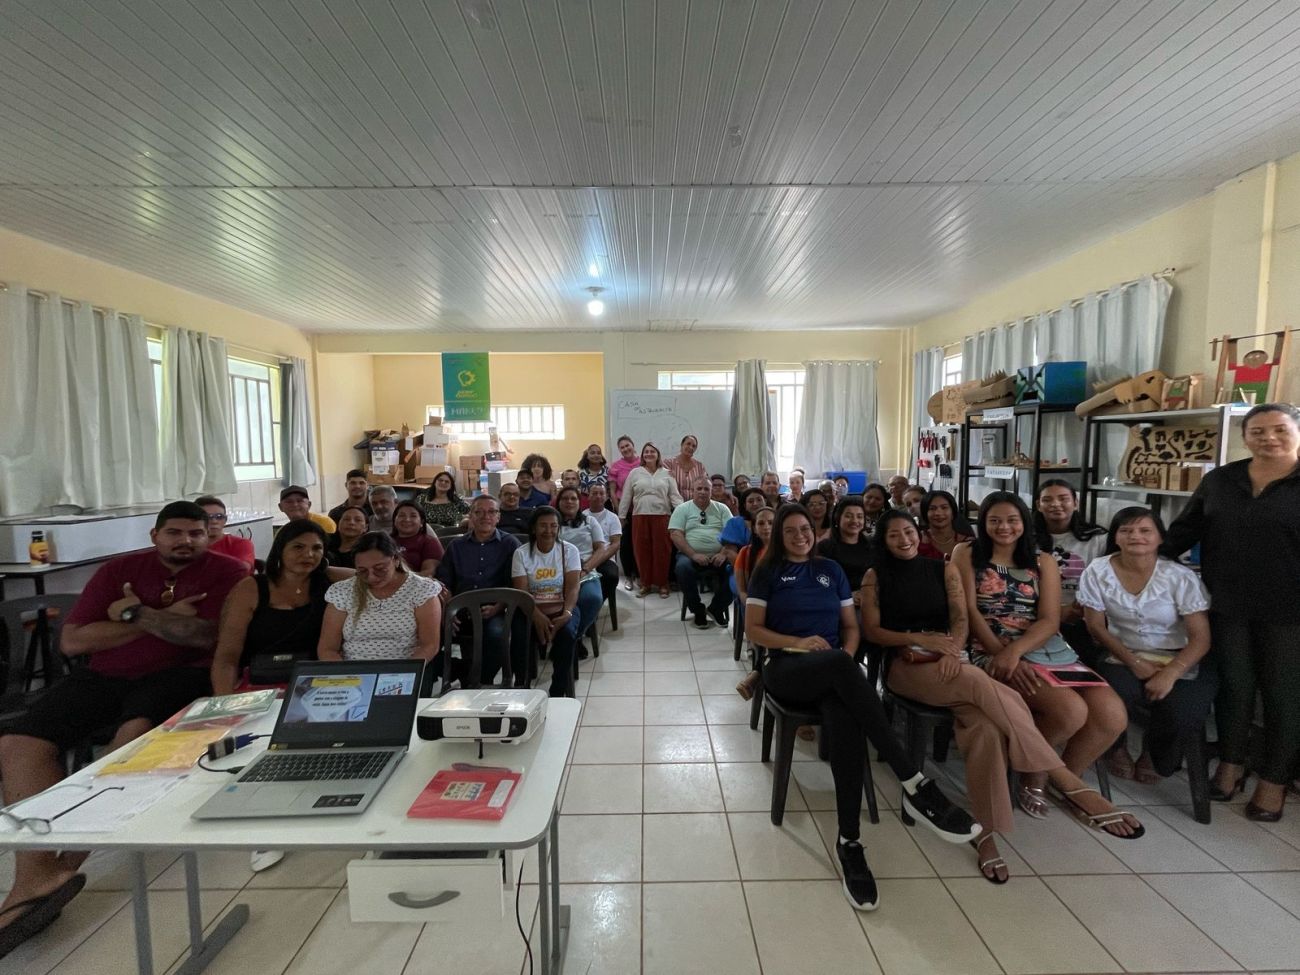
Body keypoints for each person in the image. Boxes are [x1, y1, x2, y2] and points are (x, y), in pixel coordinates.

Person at [0, 502, 248, 949]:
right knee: (18, 743)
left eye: (195, 533)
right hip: (103, 676)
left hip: (179, 677)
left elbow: (206, 637)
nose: (185, 541)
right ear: (155, 535)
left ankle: (66, 864)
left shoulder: (227, 572)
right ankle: (35, 872)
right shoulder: (119, 570)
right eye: (174, 532)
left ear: (209, 535)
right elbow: (74, 640)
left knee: (129, 743)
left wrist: (134, 613)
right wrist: (162, 621)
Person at [863, 509, 1143, 883]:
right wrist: (918, 639)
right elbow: (873, 631)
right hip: (906, 665)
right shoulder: (875, 576)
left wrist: (952, 648)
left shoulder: (942, 569)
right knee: (978, 680)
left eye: (909, 532)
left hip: (950, 660)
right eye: (894, 535)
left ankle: (986, 833)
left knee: (986, 730)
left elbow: (961, 617)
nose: (904, 539)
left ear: (920, 533)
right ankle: (1064, 779)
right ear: (883, 541)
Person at [746, 504, 980, 911]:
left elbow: (851, 629)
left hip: (834, 670)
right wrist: (801, 644)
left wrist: (846, 658)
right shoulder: (768, 571)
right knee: (842, 670)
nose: (800, 536)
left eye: (805, 529)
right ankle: (914, 782)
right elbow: (754, 630)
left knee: (846, 717)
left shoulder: (830, 571)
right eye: (791, 531)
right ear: (780, 536)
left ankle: (850, 842)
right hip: (785, 667)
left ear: (815, 531)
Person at [952, 492, 1135, 832]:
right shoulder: (966, 553)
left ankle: (1065, 779)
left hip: (1044, 647)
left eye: (1012, 520)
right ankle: (1035, 774)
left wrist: (1017, 650)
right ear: (983, 523)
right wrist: (1003, 653)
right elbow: (969, 611)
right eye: (994, 520)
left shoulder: (1043, 561)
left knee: (1112, 715)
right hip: (988, 646)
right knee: (1070, 711)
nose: (1004, 527)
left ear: (1024, 522)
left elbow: (1050, 619)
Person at [1164, 403, 1300, 820]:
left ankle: (1274, 780)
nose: (1269, 438)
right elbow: (1185, 530)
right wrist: (1134, 562)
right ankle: (1231, 764)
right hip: (1227, 603)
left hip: (1290, 611)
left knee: (1282, 695)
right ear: (1244, 437)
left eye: (1279, 429)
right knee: (1234, 688)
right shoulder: (1221, 480)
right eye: (1258, 431)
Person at [1078, 507, 1215, 784]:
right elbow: (1096, 627)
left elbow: (1201, 639)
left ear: (1160, 538)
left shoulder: (1179, 577)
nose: (1135, 536)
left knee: (1183, 711)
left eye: (1144, 531)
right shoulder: (1098, 570)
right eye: (1126, 530)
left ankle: (1154, 753)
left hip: (1180, 656)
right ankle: (1115, 747)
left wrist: (1171, 672)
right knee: (1112, 695)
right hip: (1122, 652)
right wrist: (1134, 661)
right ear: (1115, 537)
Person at [211, 521, 344, 695]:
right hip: (259, 684)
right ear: (280, 549)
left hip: (317, 684)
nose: (309, 554)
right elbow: (227, 655)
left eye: (317, 548)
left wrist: (326, 568)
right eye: (298, 547)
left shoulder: (329, 584)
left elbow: (367, 575)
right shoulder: (251, 588)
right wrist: (223, 699)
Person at [435, 495, 524, 686]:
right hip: (460, 610)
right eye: (479, 512)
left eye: (491, 512)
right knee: (428, 636)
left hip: (495, 610)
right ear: (471, 516)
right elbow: (443, 583)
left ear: (498, 517)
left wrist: (498, 607)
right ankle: (461, 670)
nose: (485, 517)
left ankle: (479, 681)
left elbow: (516, 584)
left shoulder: (510, 544)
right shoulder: (456, 546)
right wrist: (448, 610)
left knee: (497, 635)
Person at [318, 532, 441, 663]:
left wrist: (404, 672)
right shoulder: (343, 591)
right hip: (350, 669)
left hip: (404, 667)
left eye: (380, 569)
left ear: (396, 560)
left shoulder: (421, 589)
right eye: (362, 571)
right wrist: (347, 673)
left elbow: (429, 645)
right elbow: (328, 649)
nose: (371, 577)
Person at [1034, 480, 1107, 665]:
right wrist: (1057, 612)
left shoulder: (1098, 539)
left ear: (1075, 503)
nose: (1055, 504)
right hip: (1037, 615)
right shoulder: (1026, 539)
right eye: (1047, 500)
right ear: (1038, 505)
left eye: (1063, 499)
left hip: (1085, 618)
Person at [512, 507, 582, 697]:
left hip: (563, 607)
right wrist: (536, 616)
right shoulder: (521, 553)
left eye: (553, 526)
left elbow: (573, 588)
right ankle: (522, 687)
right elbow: (522, 591)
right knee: (520, 635)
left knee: (567, 634)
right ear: (533, 528)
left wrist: (567, 613)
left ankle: (558, 691)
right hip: (530, 609)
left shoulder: (570, 550)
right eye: (543, 525)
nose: (549, 530)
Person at [618, 442, 683, 598]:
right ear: (642, 455)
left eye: (652, 451)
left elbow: (675, 497)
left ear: (658, 454)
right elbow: (626, 496)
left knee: (663, 551)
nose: (649, 454)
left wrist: (683, 514)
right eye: (646, 451)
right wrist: (621, 517)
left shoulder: (667, 474)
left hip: (663, 517)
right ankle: (645, 584)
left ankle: (663, 584)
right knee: (641, 551)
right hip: (639, 517)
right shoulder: (635, 473)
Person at [554, 487, 611, 658]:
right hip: (556, 572)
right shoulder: (552, 522)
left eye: (573, 498)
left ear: (580, 502)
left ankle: (575, 637)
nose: (569, 502)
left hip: (584, 570)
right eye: (565, 498)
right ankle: (561, 635)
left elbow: (601, 549)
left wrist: (586, 569)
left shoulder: (589, 521)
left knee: (592, 598)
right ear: (558, 502)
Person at [669, 477, 732, 628]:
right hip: (689, 555)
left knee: (738, 570)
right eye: (699, 489)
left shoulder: (722, 508)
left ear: (711, 491)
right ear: (693, 491)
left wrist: (723, 553)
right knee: (682, 568)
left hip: (719, 555)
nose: (703, 492)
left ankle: (716, 608)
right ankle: (698, 610)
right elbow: (675, 534)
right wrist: (693, 554)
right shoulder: (682, 509)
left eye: (706, 489)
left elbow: (731, 533)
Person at [733, 505, 775, 701]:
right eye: (761, 523)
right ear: (754, 528)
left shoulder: (788, 551)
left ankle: (758, 672)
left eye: (771, 523)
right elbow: (742, 590)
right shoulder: (746, 552)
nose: (766, 527)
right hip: (755, 604)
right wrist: (752, 603)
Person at [817, 495, 873, 595]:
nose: (854, 521)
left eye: (859, 516)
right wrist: (849, 596)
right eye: (848, 516)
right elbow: (822, 581)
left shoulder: (872, 546)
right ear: (838, 518)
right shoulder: (825, 548)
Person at [607, 436, 641, 592]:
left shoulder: (643, 462)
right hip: (624, 512)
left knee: (640, 544)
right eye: (622, 447)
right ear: (619, 450)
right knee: (626, 545)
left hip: (641, 511)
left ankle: (640, 575)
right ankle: (628, 576)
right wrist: (620, 512)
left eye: (628, 445)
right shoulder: (616, 466)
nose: (626, 449)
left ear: (633, 445)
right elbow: (612, 492)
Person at [584, 483, 623, 599]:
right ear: (588, 496)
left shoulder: (613, 517)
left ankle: (598, 603)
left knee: (611, 576)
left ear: (606, 497)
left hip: (606, 558)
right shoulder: (582, 516)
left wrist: (598, 559)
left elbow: (615, 544)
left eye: (601, 493)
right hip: (585, 556)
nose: (598, 496)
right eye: (594, 493)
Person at [197, 495, 254, 568]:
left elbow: (242, 570)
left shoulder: (241, 544)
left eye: (219, 517)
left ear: (225, 520)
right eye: (207, 517)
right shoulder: (190, 547)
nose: (214, 521)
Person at [917, 490, 974, 562]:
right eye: (932, 508)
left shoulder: (968, 543)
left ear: (953, 512)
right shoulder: (917, 540)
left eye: (944, 507)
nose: (938, 513)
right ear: (925, 513)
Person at [392, 501, 445, 576]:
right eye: (401, 515)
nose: (407, 519)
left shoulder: (429, 542)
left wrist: (400, 580)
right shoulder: (385, 540)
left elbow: (429, 573)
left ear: (421, 522)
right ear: (394, 520)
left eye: (413, 516)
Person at [719, 488, 768, 565]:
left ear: (765, 501)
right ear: (745, 505)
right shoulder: (735, 523)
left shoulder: (776, 520)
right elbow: (729, 551)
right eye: (750, 501)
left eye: (759, 500)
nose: (755, 503)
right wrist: (745, 567)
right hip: (741, 565)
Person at [664, 435, 707, 499]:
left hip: (694, 503)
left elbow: (704, 486)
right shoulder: (669, 464)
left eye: (694, 446)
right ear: (682, 445)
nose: (691, 447)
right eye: (688, 444)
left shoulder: (700, 467)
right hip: (673, 503)